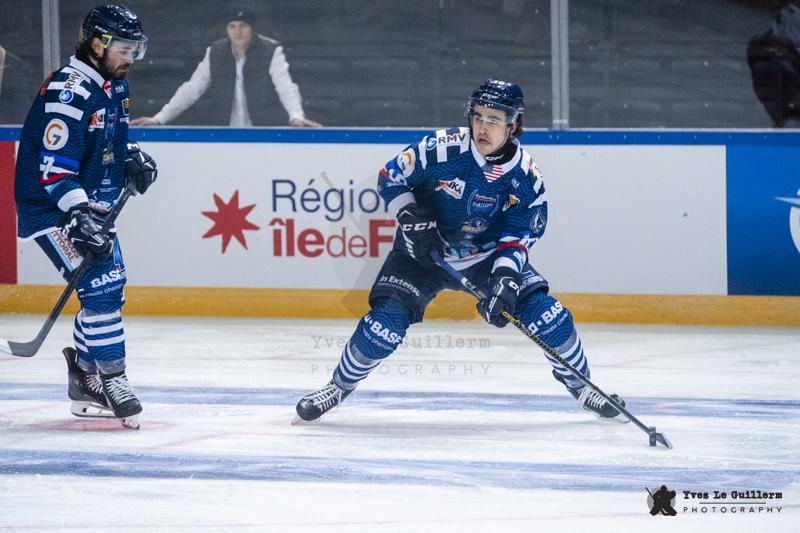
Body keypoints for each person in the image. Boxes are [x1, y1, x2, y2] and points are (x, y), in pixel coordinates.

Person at [296, 79, 627, 423]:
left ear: (514, 125)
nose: (482, 127)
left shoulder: (526, 178)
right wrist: (409, 215)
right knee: (385, 325)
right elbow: (390, 177)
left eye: (494, 120)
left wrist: (505, 277)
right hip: (420, 254)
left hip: (486, 259)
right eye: (478, 116)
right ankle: (337, 388)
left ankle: (583, 387)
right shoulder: (440, 148)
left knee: (550, 316)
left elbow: (520, 233)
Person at [13, 4, 157, 429]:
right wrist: (77, 214)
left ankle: (83, 378)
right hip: (52, 206)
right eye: (125, 49)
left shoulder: (115, 87)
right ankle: (111, 381)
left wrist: (132, 156)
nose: (131, 58)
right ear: (98, 44)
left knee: (108, 286)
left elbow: (111, 139)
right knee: (102, 286)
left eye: (136, 49)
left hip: (86, 204)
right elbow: (54, 168)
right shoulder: (69, 91)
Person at [131, 7, 320, 128]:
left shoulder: (271, 50)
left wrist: (296, 116)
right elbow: (192, 88)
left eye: (243, 26)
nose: (237, 31)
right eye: (232, 26)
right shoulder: (215, 51)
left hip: (265, 128)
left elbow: (285, 86)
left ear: (252, 29)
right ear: (227, 29)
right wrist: (159, 118)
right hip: (225, 131)